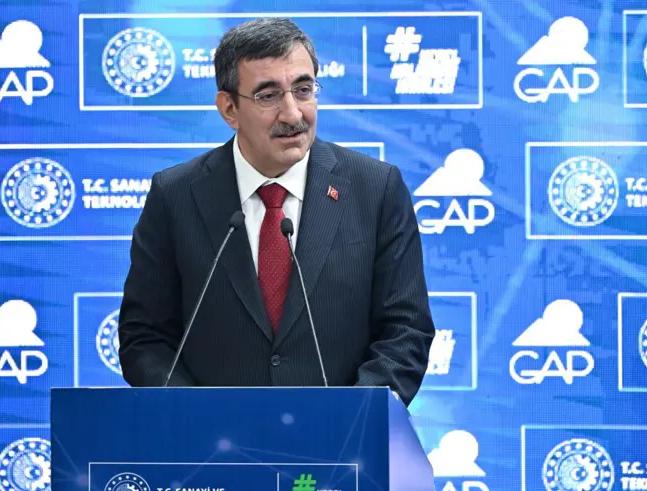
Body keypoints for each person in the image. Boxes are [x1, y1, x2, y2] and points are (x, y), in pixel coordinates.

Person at [117, 18, 435, 406]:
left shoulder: (375, 188)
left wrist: (353, 420)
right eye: (268, 96)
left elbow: (406, 330)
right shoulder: (175, 195)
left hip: (341, 437)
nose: (293, 114)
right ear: (229, 109)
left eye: (303, 90)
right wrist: (195, 417)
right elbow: (144, 338)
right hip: (212, 437)